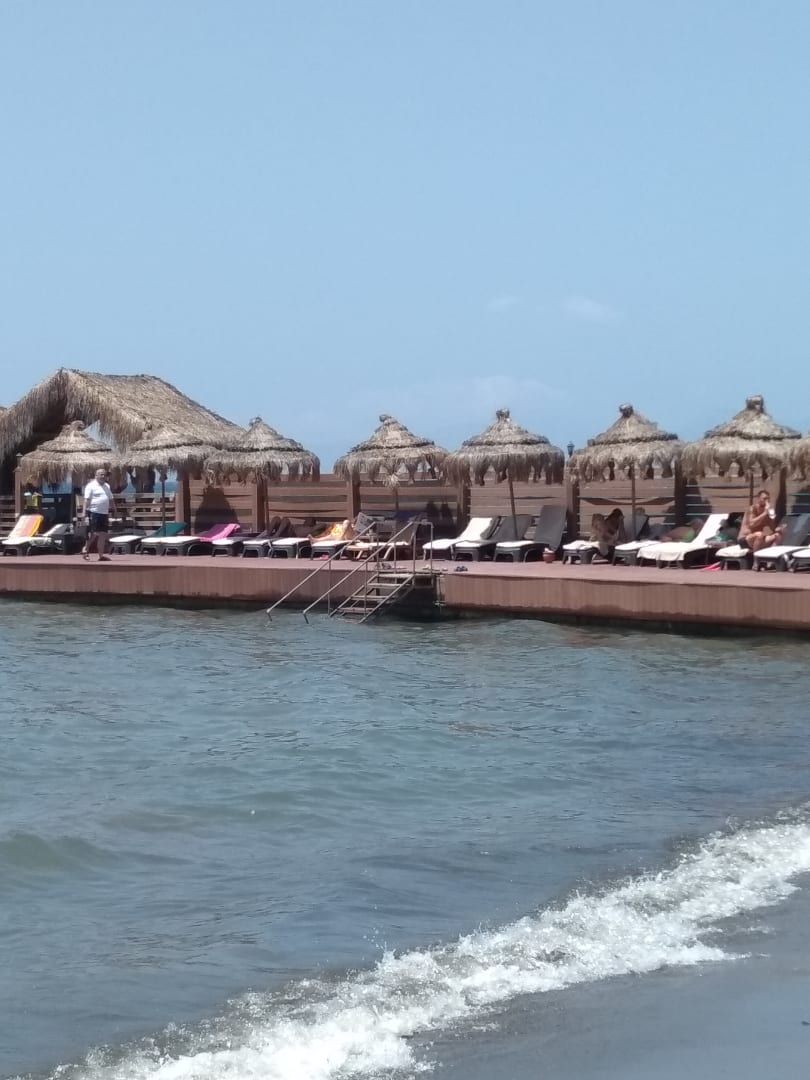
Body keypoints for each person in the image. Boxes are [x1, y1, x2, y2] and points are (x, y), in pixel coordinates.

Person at [82, 468, 116, 561]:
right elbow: (86, 500)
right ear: (96, 476)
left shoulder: (107, 486)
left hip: (104, 513)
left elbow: (111, 499)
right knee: (94, 533)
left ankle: (101, 556)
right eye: (101, 474)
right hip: (94, 512)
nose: (103, 476)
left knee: (103, 534)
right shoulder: (91, 486)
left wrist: (114, 509)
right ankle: (85, 549)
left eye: (104, 475)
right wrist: (84, 512)